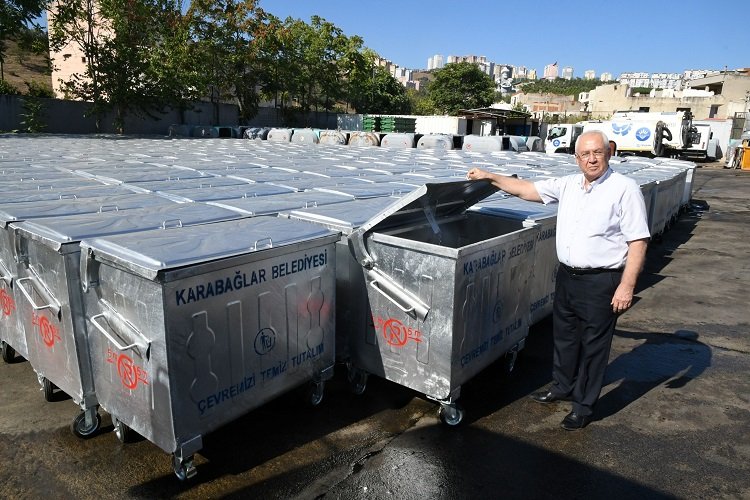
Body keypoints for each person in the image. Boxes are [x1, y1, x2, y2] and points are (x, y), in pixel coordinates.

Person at [467, 130, 650, 430]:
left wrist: (626, 286)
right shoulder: (568, 185)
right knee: (564, 337)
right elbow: (527, 189)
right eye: (585, 154)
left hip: (601, 281)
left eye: (597, 153)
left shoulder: (624, 189)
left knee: (594, 346)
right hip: (567, 277)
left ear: (608, 153)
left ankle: (583, 406)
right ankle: (562, 386)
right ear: (576, 158)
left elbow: (638, 242)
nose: (591, 159)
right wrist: (491, 177)